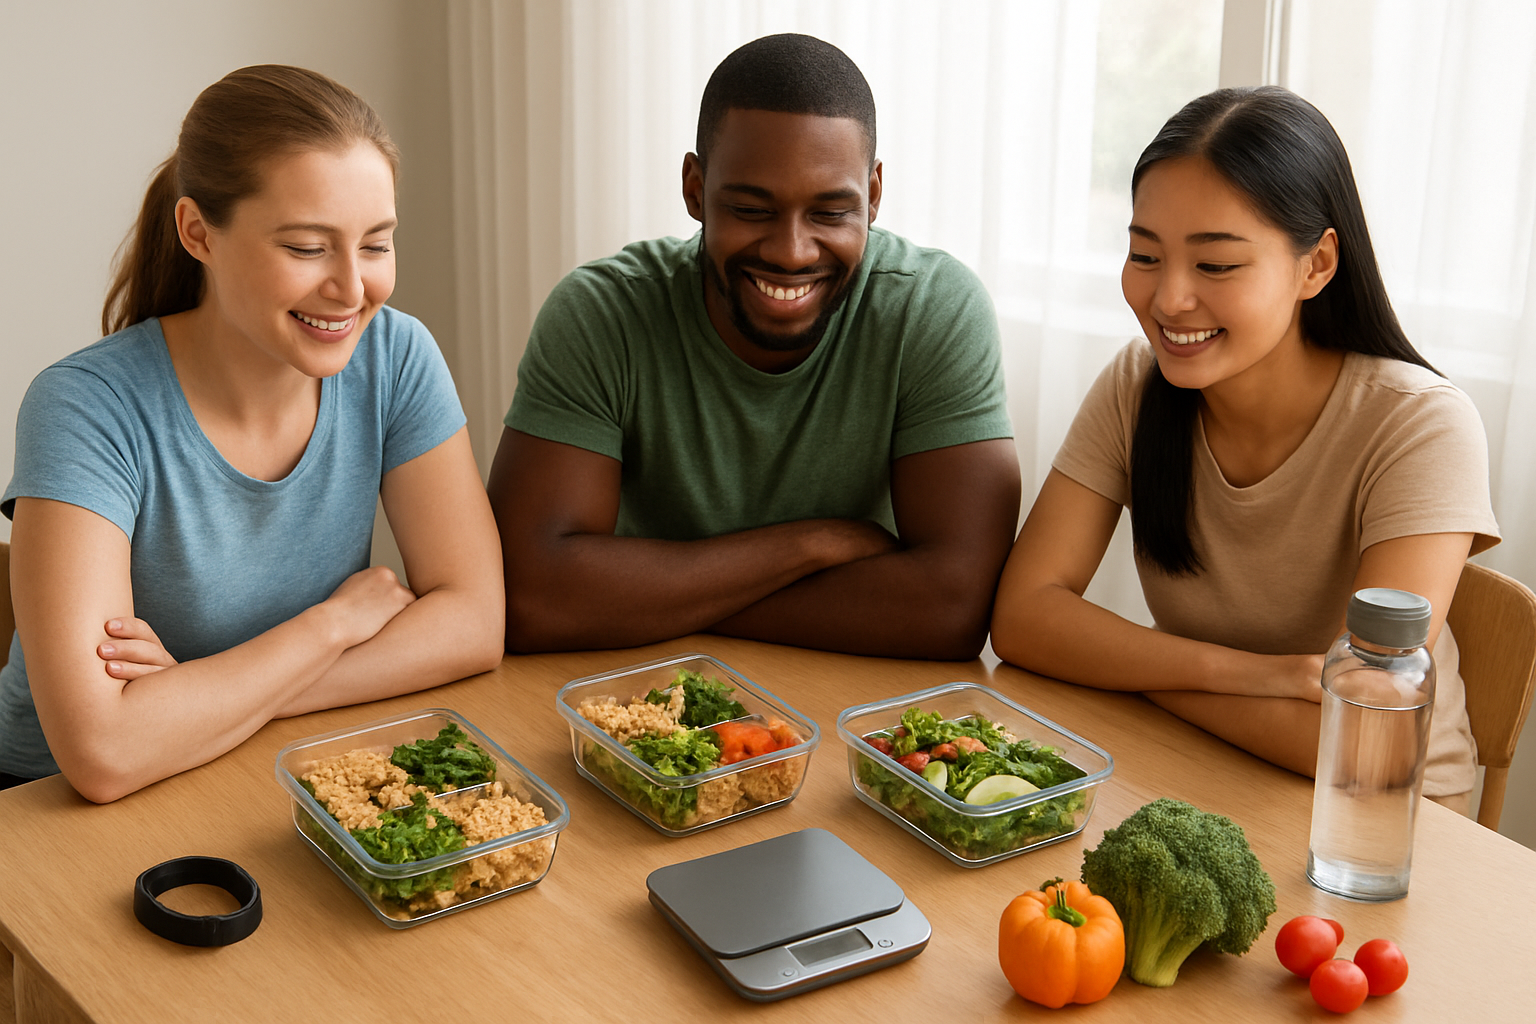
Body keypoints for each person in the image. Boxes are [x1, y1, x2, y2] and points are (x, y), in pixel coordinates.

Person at [0, 66, 504, 801]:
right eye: (307, 248)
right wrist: (331, 626)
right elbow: (103, 752)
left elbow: (475, 624)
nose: (353, 289)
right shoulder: (85, 407)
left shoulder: (396, 356)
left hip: (266, 762)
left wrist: (210, 695)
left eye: (375, 244)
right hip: (43, 807)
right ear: (198, 232)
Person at [990, 86, 1499, 811]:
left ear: (1316, 266)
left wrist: (1133, 671)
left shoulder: (1420, 425)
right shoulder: (1138, 385)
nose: (1168, 300)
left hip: (1376, 821)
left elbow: (1366, 736)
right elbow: (1023, 617)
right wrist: (1253, 676)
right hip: (1199, 770)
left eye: (1216, 266)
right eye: (1144, 254)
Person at [487, 34, 1021, 660]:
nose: (792, 252)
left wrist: (658, 598)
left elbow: (952, 610)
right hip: (636, 694)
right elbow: (532, 596)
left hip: (849, 700)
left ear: (873, 196)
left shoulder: (933, 309)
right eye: (750, 207)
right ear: (695, 187)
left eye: (830, 213)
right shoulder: (602, 314)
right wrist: (808, 547)